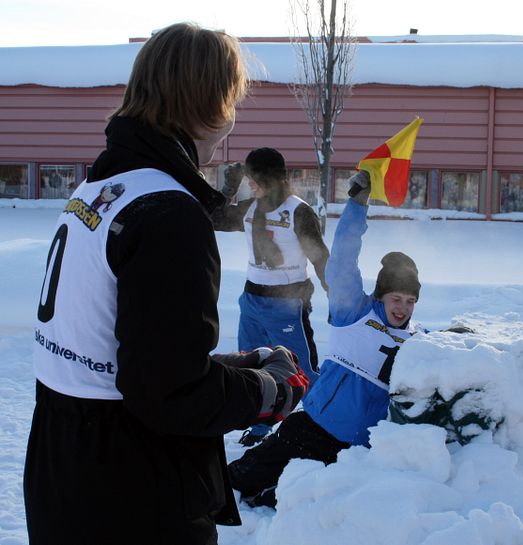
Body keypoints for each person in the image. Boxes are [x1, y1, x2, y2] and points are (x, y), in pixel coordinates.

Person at [24, 23, 308, 545]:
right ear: (215, 105)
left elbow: (124, 358)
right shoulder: (168, 212)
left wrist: (233, 367)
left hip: (65, 468)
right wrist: (266, 392)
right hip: (134, 489)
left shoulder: (102, 187)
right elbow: (169, 395)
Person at [227, 169, 423, 508]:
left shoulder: (418, 341)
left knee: (298, 502)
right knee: (237, 482)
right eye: (396, 299)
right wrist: (358, 205)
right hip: (315, 426)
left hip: (355, 452)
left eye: (410, 301)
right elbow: (342, 262)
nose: (402, 308)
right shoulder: (355, 313)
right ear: (382, 296)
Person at [211, 147, 329, 446]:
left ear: (273, 178)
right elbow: (212, 218)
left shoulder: (298, 211)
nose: (250, 183)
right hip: (252, 300)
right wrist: (229, 186)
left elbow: (320, 257)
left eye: (254, 178)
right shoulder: (250, 208)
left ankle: (325, 423)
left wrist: (335, 294)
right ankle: (261, 427)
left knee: (301, 367)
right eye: (248, 178)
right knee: (253, 366)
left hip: (288, 303)